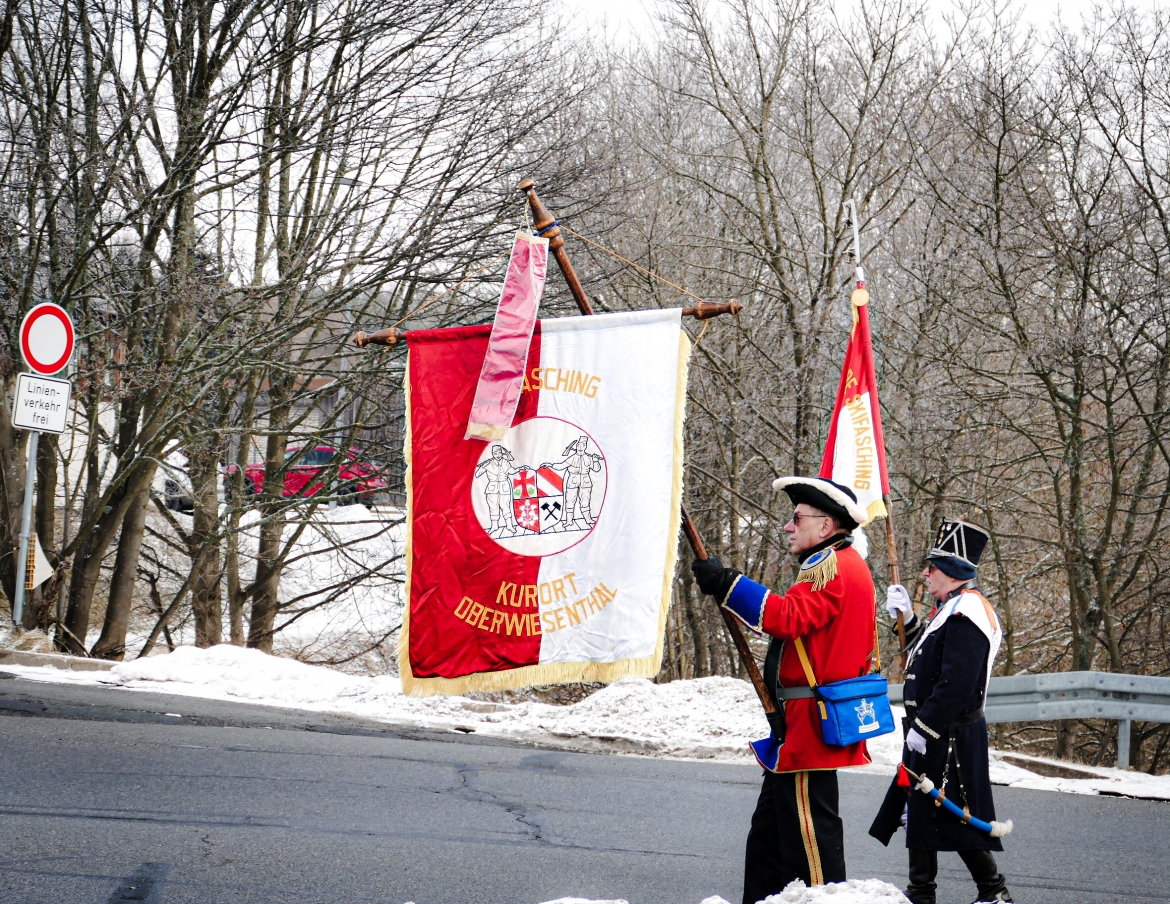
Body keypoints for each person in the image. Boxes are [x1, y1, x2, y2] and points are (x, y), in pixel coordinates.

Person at [691, 477, 876, 902]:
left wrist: (727, 583)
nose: (788, 527)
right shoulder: (834, 563)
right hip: (799, 724)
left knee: (812, 846)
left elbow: (787, 617)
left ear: (826, 526)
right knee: (769, 842)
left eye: (797, 518)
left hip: (809, 726)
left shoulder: (832, 568)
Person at [869, 519, 1014, 904]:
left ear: (950, 573)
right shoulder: (952, 607)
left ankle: (986, 892)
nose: (925, 573)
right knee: (926, 809)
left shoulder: (968, 613)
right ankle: (940, 892)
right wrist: (909, 620)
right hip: (936, 730)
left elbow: (955, 682)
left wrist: (926, 726)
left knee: (946, 809)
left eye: (932, 567)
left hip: (947, 733)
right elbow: (931, 657)